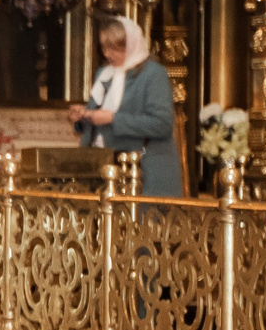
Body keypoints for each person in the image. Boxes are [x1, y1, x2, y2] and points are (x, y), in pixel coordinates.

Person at [69, 16, 183, 196]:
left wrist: (114, 119)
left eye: (115, 48)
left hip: (146, 171)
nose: (108, 54)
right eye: (105, 47)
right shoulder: (105, 74)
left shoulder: (153, 74)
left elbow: (162, 124)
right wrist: (84, 116)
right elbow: (98, 117)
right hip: (105, 170)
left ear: (131, 44)